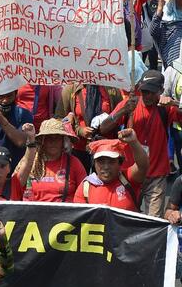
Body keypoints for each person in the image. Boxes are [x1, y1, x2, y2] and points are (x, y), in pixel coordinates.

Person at [98, 70, 181, 216]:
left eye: (151, 92)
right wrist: (123, 110)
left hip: (156, 176)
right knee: (126, 219)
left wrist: (174, 102)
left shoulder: (166, 108)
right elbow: (103, 128)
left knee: (152, 223)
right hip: (129, 175)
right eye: (144, 91)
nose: (147, 95)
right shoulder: (130, 104)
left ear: (161, 90)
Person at [74, 129, 148, 211]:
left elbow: (142, 166)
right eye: (101, 161)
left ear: (120, 163)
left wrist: (134, 142)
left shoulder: (127, 178)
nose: (106, 167)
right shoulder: (85, 187)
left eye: (111, 161)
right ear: (94, 163)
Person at [24, 118, 87, 202]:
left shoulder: (74, 163)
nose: (53, 142)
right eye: (49, 138)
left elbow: (84, 193)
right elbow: (18, 187)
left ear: (63, 141)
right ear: (43, 141)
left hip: (67, 213)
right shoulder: (31, 161)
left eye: (57, 138)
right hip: (36, 212)